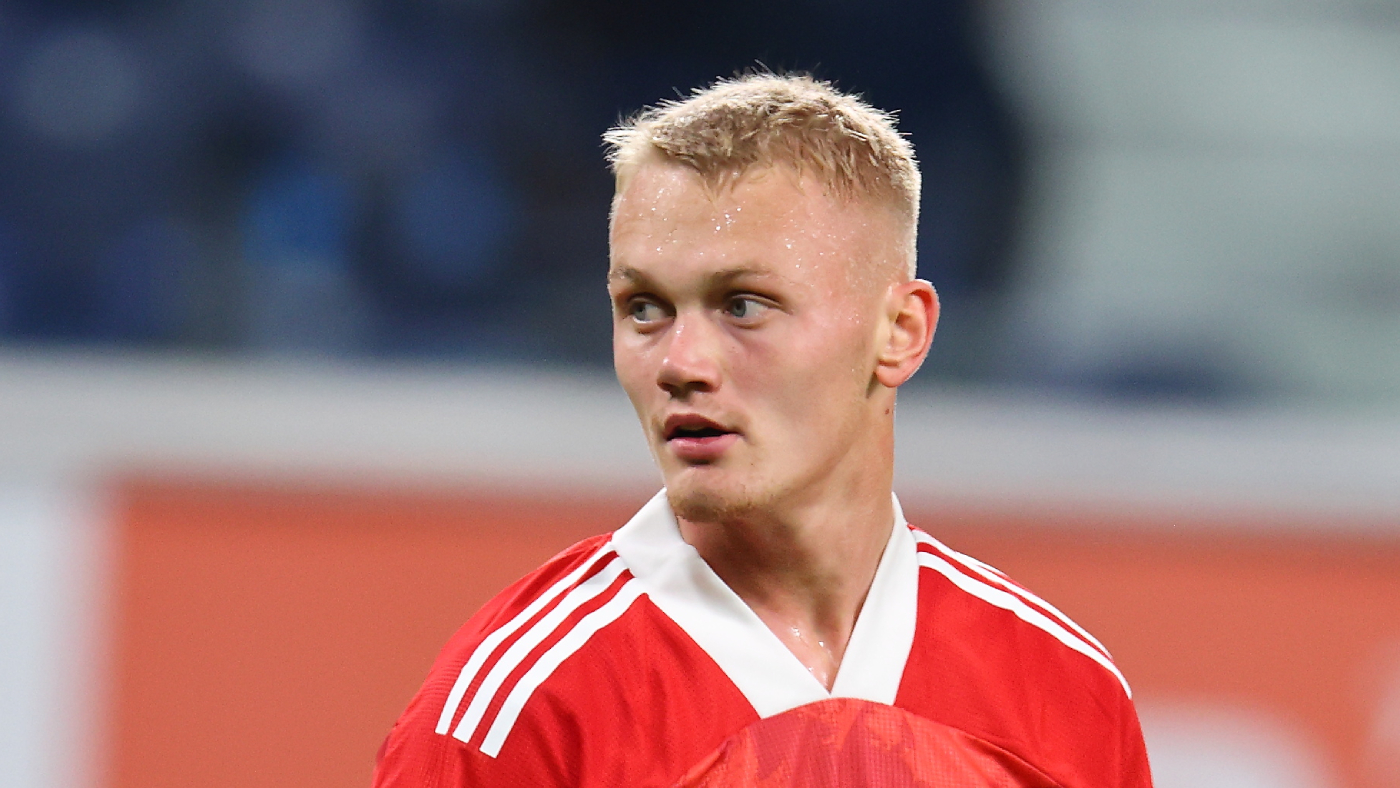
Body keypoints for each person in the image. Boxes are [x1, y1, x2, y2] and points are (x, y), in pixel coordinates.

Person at [372, 73, 1152, 787]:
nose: (680, 363)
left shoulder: (1067, 692)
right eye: (644, 308)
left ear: (900, 332)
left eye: (742, 305)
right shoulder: (518, 717)